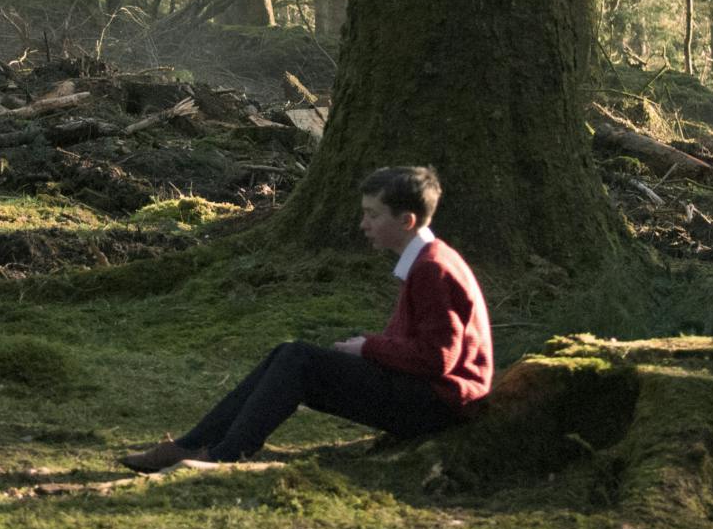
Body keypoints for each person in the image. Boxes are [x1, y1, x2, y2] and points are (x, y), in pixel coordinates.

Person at [119, 165, 491, 471]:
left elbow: (436, 359)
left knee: (299, 359)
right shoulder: (427, 260)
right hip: (426, 394)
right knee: (288, 354)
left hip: (438, 405)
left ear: (407, 220)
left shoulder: (432, 269)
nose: (364, 224)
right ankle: (193, 445)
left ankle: (223, 456)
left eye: (372, 215)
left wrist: (368, 349)